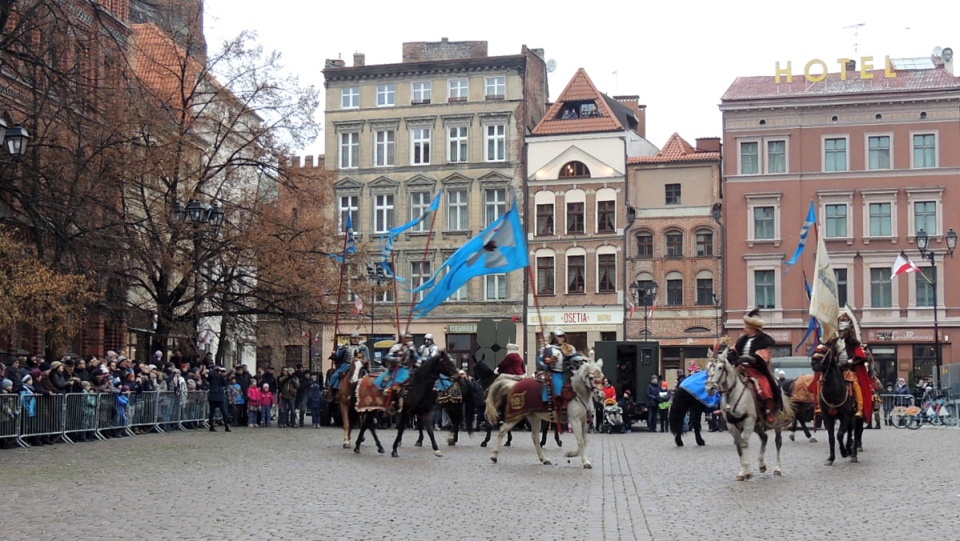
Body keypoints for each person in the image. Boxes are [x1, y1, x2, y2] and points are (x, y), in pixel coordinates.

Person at [811, 309, 874, 420]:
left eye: (842, 330)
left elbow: (861, 357)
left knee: (855, 383)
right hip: (835, 368)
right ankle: (819, 405)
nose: (840, 332)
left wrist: (850, 361)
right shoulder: (834, 342)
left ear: (847, 331)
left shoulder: (853, 343)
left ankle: (859, 407)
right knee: (821, 380)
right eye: (839, 330)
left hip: (848, 368)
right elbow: (829, 353)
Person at [727, 308, 780, 423]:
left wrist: (747, 358)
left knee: (765, 387)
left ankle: (769, 410)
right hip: (739, 369)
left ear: (753, 329)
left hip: (757, 370)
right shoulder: (742, 340)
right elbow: (734, 350)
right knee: (726, 382)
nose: (744, 329)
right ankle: (725, 406)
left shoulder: (764, 341)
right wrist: (729, 354)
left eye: (746, 327)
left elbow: (762, 357)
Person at [207, 365, 231, 432]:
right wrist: (215, 370)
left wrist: (222, 376)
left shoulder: (221, 378)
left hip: (219, 396)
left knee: (224, 412)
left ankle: (226, 426)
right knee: (212, 412)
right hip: (213, 396)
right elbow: (209, 376)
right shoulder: (212, 377)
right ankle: (211, 426)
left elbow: (224, 383)